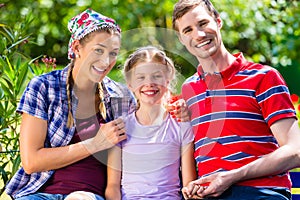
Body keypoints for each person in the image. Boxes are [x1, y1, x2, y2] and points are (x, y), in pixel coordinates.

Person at [172, 0, 300, 199]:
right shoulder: (189, 89)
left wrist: (232, 176)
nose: (198, 34)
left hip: (261, 193)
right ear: (181, 39)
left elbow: (296, 151)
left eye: (203, 23)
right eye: (188, 30)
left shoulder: (263, 77)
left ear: (218, 22)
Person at [5, 8, 136, 200]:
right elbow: (31, 161)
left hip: (88, 196)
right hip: (40, 194)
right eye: (98, 50)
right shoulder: (43, 87)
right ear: (76, 48)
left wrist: (178, 112)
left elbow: (151, 128)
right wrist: (95, 143)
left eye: (113, 53)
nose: (106, 61)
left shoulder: (121, 97)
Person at [105, 46, 197, 200]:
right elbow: (112, 186)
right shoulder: (119, 128)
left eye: (156, 76)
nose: (149, 83)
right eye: (141, 78)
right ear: (130, 85)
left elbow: (189, 183)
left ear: (167, 81)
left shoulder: (181, 125)